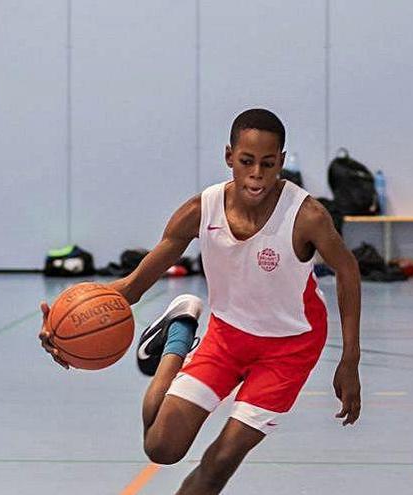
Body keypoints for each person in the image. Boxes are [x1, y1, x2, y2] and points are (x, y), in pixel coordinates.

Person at [39, 108, 363, 494]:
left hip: (289, 349)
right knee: (161, 447)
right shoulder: (201, 210)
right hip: (227, 337)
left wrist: (349, 359)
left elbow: (348, 271)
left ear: (281, 160)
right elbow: (133, 286)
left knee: (221, 461)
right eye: (246, 162)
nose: (257, 173)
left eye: (268, 163)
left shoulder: (306, 215)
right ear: (229, 157)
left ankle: (180, 333)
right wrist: (60, 329)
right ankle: (179, 333)